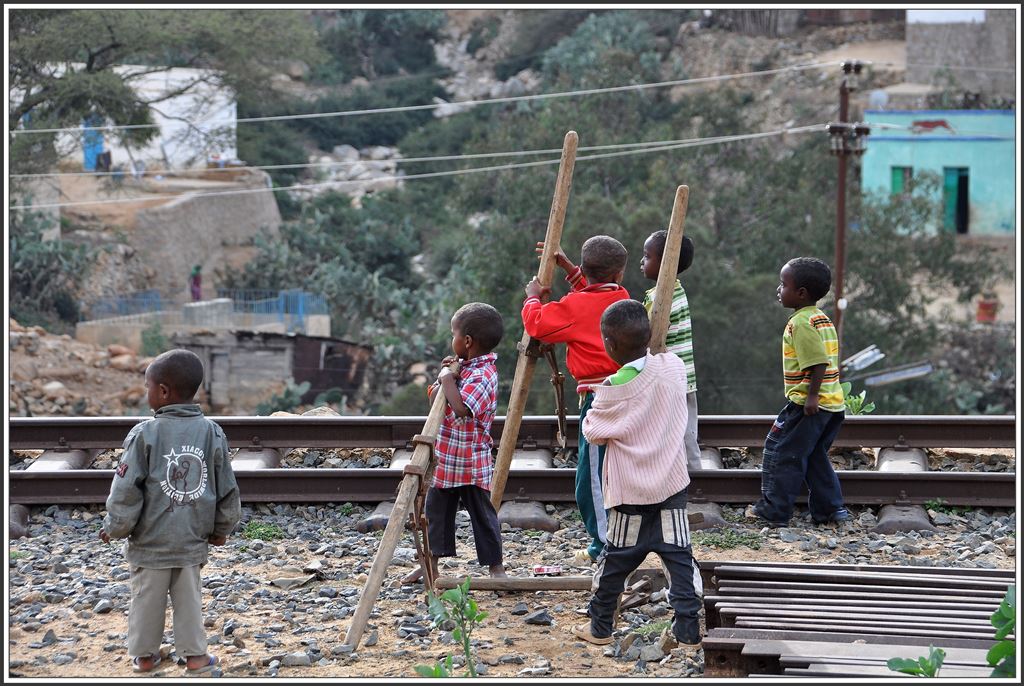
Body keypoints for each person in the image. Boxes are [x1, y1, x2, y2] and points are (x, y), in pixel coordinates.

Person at [100, 349, 241, 676]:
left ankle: (145, 658)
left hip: (150, 542)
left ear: (163, 392)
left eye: (148, 386)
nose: (146, 392)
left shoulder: (144, 434)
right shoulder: (212, 432)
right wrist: (222, 529)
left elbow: (126, 490)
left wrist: (116, 526)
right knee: (189, 600)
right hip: (191, 540)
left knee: (146, 599)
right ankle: (195, 658)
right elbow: (226, 487)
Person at [574, 299, 702, 649]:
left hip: (629, 495)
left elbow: (593, 431)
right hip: (671, 487)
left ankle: (600, 629)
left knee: (613, 564)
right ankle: (687, 633)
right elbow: (656, 372)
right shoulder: (673, 368)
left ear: (610, 345)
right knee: (681, 562)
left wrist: (594, 397)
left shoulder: (612, 390)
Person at [525, 236, 630, 565]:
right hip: (627, 392)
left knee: (592, 478)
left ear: (586, 269)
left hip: (598, 399)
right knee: (614, 471)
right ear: (619, 275)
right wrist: (571, 269)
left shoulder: (573, 307)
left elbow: (538, 325)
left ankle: (605, 546)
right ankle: (616, 537)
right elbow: (593, 291)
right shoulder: (621, 298)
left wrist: (532, 299)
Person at [402, 303, 508, 585]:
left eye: (454, 334)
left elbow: (461, 409)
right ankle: (430, 566)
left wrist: (448, 376)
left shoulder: (483, 375)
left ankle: (496, 568)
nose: (453, 339)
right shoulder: (464, 369)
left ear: (468, 342)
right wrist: (446, 378)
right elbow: (438, 401)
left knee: (483, 516)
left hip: (472, 461)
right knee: (435, 514)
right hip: (447, 458)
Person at [746, 257, 850, 527]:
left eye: (783, 285)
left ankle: (774, 511)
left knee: (782, 453)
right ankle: (830, 509)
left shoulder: (801, 323)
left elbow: (817, 363)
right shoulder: (821, 318)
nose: (779, 290)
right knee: (814, 457)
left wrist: (811, 397)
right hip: (832, 404)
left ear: (801, 293)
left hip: (809, 404)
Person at [640, 231, 702, 472]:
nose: (642, 262)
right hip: (683, 377)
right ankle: (689, 474)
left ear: (666, 262)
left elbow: (647, 336)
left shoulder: (661, 298)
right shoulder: (678, 289)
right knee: (685, 430)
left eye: (647, 256)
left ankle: (694, 480)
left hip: (669, 379)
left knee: (677, 432)